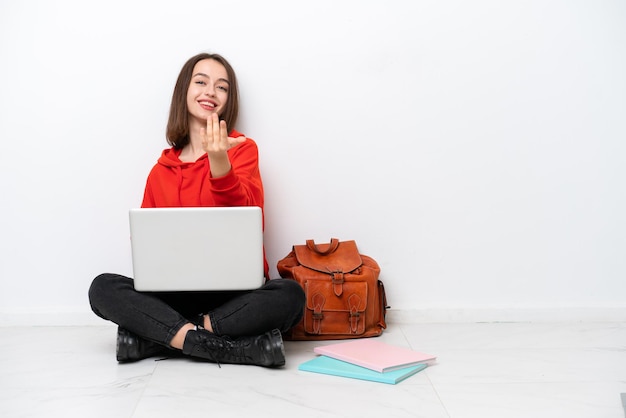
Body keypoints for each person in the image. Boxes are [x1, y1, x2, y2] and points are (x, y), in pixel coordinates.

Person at [88, 53, 305, 367]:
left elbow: (247, 218)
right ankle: (237, 349)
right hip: (174, 295)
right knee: (102, 288)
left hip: (234, 294)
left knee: (290, 296)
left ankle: (158, 338)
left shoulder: (243, 149)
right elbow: (146, 246)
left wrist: (220, 162)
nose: (211, 92)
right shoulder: (159, 171)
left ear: (228, 100)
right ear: (183, 92)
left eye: (222, 87)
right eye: (201, 82)